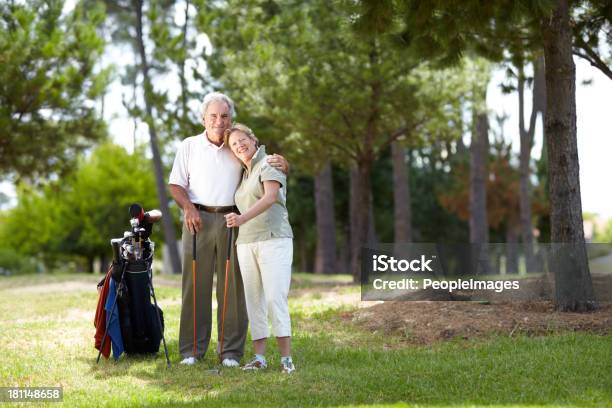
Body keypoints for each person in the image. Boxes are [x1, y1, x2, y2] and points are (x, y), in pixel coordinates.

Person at [168, 92, 288, 367]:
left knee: (233, 288)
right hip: (196, 218)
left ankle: (230, 352)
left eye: (224, 116)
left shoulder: (237, 146)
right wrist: (187, 207)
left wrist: (284, 163)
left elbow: (263, 166)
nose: (218, 122)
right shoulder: (189, 145)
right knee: (194, 286)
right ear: (203, 118)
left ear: (231, 119)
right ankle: (191, 350)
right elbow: (176, 184)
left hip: (232, 220)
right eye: (213, 116)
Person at [224, 123, 295, 374]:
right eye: (234, 144)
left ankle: (286, 359)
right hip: (246, 242)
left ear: (253, 140)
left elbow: (271, 197)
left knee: (275, 297)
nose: (239, 145)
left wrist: (241, 218)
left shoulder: (269, 163)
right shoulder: (244, 174)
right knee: (253, 299)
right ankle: (259, 357)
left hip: (274, 238)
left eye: (242, 140)